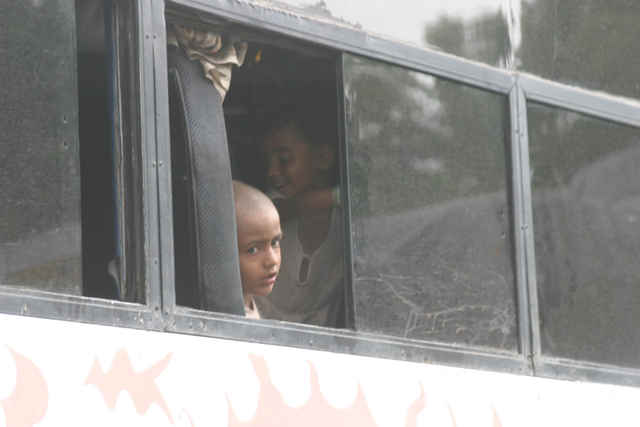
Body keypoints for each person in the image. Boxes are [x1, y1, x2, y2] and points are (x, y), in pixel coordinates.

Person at [254, 110, 345, 327]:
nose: (272, 171)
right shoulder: (271, 204)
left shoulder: (347, 223)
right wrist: (338, 196)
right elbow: (277, 211)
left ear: (323, 158)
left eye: (284, 160)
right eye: (268, 161)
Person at [233, 180, 282, 319]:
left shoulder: (257, 302)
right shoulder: (226, 316)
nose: (272, 261)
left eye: (275, 242)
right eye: (253, 250)